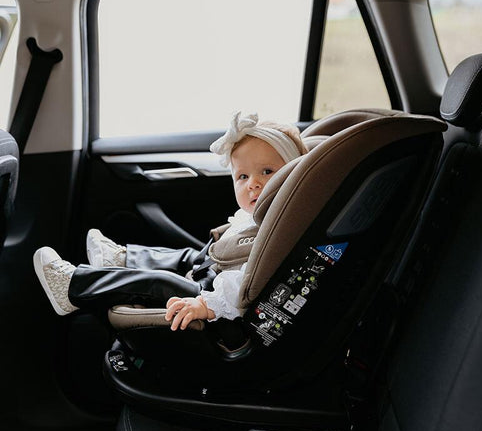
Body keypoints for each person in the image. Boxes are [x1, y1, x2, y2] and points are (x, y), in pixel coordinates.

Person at [34, 112, 307, 331]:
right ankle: (121, 259)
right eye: (242, 177)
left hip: (217, 300)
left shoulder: (282, 231)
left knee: (160, 281)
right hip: (213, 272)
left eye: (267, 172)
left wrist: (208, 305)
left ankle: (73, 287)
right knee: (185, 257)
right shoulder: (261, 216)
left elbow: (246, 284)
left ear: (294, 177)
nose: (253, 184)